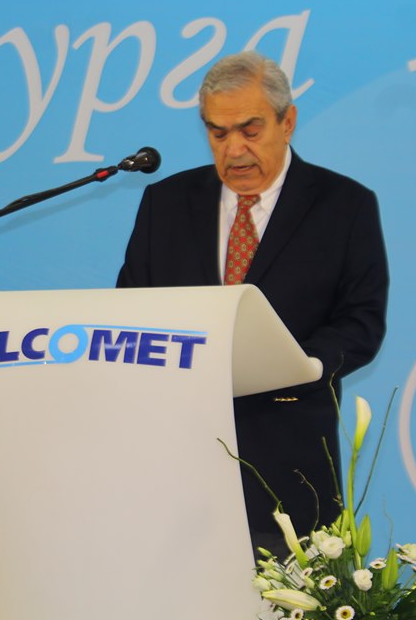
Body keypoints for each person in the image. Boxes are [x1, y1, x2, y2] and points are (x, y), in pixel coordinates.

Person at [117, 51, 388, 557]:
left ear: (288, 122)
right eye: (218, 133)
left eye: (250, 129)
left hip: (290, 468)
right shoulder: (165, 203)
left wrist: (298, 364)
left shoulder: (344, 206)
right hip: (175, 468)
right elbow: (130, 313)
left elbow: (361, 323)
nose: (235, 149)